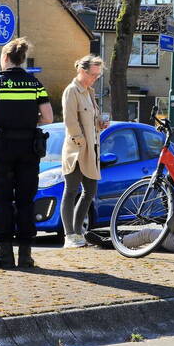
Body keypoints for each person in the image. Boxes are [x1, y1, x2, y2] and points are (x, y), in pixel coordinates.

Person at [0, 38, 54, 268]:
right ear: (22, 59)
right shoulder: (35, 84)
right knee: (25, 201)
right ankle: (25, 255)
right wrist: (29, 120)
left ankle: (5, 253)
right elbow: (48, 118)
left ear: (5, 58)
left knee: (2, 201)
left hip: (2, 150)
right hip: (29, 149)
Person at [121, 140, 174, 253]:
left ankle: (118, 242)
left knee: (146, 234)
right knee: (153, 239)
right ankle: (116, 240)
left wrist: (170, 223)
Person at [60, 54, 108, 247]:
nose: (95, 78)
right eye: (93, 75)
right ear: (82, 71)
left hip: (92, 149)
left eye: (98, 75)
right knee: (71, 190)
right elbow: (70, 120)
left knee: (90, 191)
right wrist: (81, 143)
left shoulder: (89, 92)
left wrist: (100, 124)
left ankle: (78, 231)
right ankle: (69, 235)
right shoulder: (72, 91)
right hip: (77, 151)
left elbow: (90, 120)